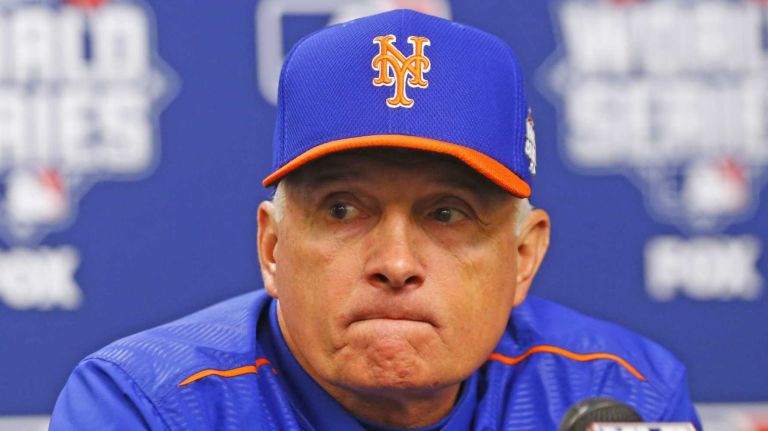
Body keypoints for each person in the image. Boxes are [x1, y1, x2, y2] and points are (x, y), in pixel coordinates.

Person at [50, 9, 701, 430]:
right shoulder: (148, 407)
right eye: (343, 208)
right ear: (273, 246)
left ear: (523, 256)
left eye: (447, 213)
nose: (395, 261)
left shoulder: (618, 394)